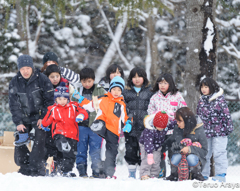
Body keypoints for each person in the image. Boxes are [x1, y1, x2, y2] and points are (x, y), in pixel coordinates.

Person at [9, 55, 54, 176]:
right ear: (19, 69)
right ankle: (24, 166)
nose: (25, 71)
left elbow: (49, 101)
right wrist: (18, 122)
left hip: (39, 117)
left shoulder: (42, 79)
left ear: (32, 68)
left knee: (40, 137)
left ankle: (35, 167)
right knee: (20, 139)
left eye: (27, 68)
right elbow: (13, 105)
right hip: (24, 119)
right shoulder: (14, 82)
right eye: (22, 68)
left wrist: (43, 117)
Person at [79, 76, 132, 179]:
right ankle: (98, 171)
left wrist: (128, 124)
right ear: (110, 89)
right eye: (114, 89)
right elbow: (90, 105)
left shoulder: (122, 104)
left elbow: (127, 116)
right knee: (100, 150)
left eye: (119, 90)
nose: (116, 92)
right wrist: (81, 99)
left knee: (111, 152)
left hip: (113, 130)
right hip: (102, 128)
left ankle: (108, 173)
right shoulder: (102, 98)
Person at [41, 82, 88, 177]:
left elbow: (83, 112)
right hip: (59, 132)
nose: (62, 101)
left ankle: (66, 170)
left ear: (68, 98)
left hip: (72, 135)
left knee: (71, 155)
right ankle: (62, 144)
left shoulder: (74, 106)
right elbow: (47, 119)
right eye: (59, 99)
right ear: (56, 99)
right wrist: (44, 125)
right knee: (63, 146)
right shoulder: (53, 109)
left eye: (64, 99)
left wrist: (81, 115)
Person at [147, 73, 187, 177]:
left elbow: (184, 110)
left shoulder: (177, 96)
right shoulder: (154, 97)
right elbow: (150, 113)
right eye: (160, 83)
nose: (162, 85)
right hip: (159, 131)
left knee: (174, 151)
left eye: (165, 83)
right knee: (159, 152)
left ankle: (175, 173)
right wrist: (156, 119)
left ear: (170, 84)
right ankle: (161, 172)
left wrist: (177, 119)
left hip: (174, 130)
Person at [197, 77, 233, 182]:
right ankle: (204, 174)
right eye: (202, 87)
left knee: (219, 152)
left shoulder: (220, 100)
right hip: (206, 131)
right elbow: (199, 115)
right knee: (205, 153)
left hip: (220, 132)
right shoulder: (201, 101)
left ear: (212, 87)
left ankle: (220, 175)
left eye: (206, 87)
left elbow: (227, 116)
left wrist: (227, 129)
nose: (203, 89)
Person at [71, 67, 106, 178]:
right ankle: (82, 171)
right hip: (81, 126)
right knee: (81, 149)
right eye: (84, 81)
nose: (86, 84)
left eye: (89, 81)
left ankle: (96, 171)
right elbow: (73, 106)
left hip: (96, 125)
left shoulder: (100, 90)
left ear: (94, 80)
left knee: (95, 149)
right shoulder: (78, 92)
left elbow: (104, 105)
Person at [122, 67, 153, 178]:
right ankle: (131, 173)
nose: (137, 79)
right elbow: (123, 106)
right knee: (130, 150)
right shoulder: (126, 92)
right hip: (130, 127)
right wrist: (128, 118)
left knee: (144, 151)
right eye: (134, 77)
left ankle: (143, 172)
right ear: (130, 79)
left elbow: (153, 107)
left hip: (145, 128)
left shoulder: (150, 92)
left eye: (139, 76)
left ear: (144, 78)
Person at [43, 64, 74, 173]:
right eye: (52, 77)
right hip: (50, 118)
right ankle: (51, 165)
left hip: (63, 120)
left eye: (57, 76)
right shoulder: (45, 86)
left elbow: (72, 99)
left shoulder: (66, 84)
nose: (55, 79)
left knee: (63, 144)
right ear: (47, 77)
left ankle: (62, 166)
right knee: (50, 144)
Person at [165, 107, 208, 181]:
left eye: (180, 121)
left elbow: (204, 151)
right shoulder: (177, 128)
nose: (177, 123)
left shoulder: (199, 129)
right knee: (175, 157)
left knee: (191, 158)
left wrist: (190, 149)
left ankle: (196, 175)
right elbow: (171, 141)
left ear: (187, 121)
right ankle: (174, 175)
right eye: (177, 121)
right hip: (181, 159)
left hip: (195, 159)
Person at [139, 111, 171, 180]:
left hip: (157, 146)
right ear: (155, 123)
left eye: (163, 127)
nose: (161, 129)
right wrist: (150, 154)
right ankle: (145, 174)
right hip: (146, 146)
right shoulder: (149, 130)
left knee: (156, 160)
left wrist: (176, 122)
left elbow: (170, 125)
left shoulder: (164, 127)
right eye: (159, 127)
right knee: (147, 160)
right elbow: (148, 143)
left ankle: (154, 175)